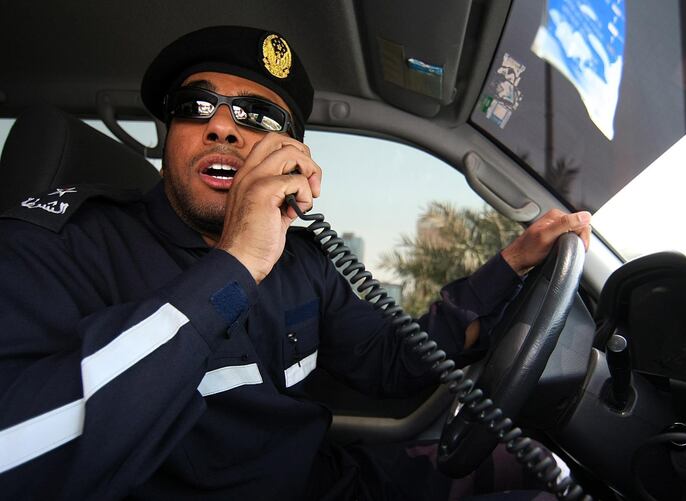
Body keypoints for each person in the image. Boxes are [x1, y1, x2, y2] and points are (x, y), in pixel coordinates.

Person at [0, 26, 591, 500]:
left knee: (544, 474)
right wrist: (235, 264)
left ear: (293, 158)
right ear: (169, 133)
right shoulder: (60, 247)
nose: (223, 127)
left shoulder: (303, 261)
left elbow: (394, 362)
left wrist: (512, 264)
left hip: (327, 479)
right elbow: (18, 454)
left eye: (257, 119)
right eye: (196, 106)